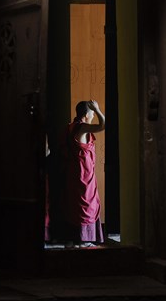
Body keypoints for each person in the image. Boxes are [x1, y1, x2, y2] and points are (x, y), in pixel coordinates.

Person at [62, 99, 106, 247]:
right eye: (92, 112)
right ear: (86, 114)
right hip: (83, 170)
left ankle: (73, 237)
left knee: (75, 203)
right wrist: (98, 109)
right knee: (86, 204)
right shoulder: (82, 127)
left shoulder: (71, 126)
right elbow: (103, 125)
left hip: (74, 170)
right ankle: (83, 239)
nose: (93, 114)